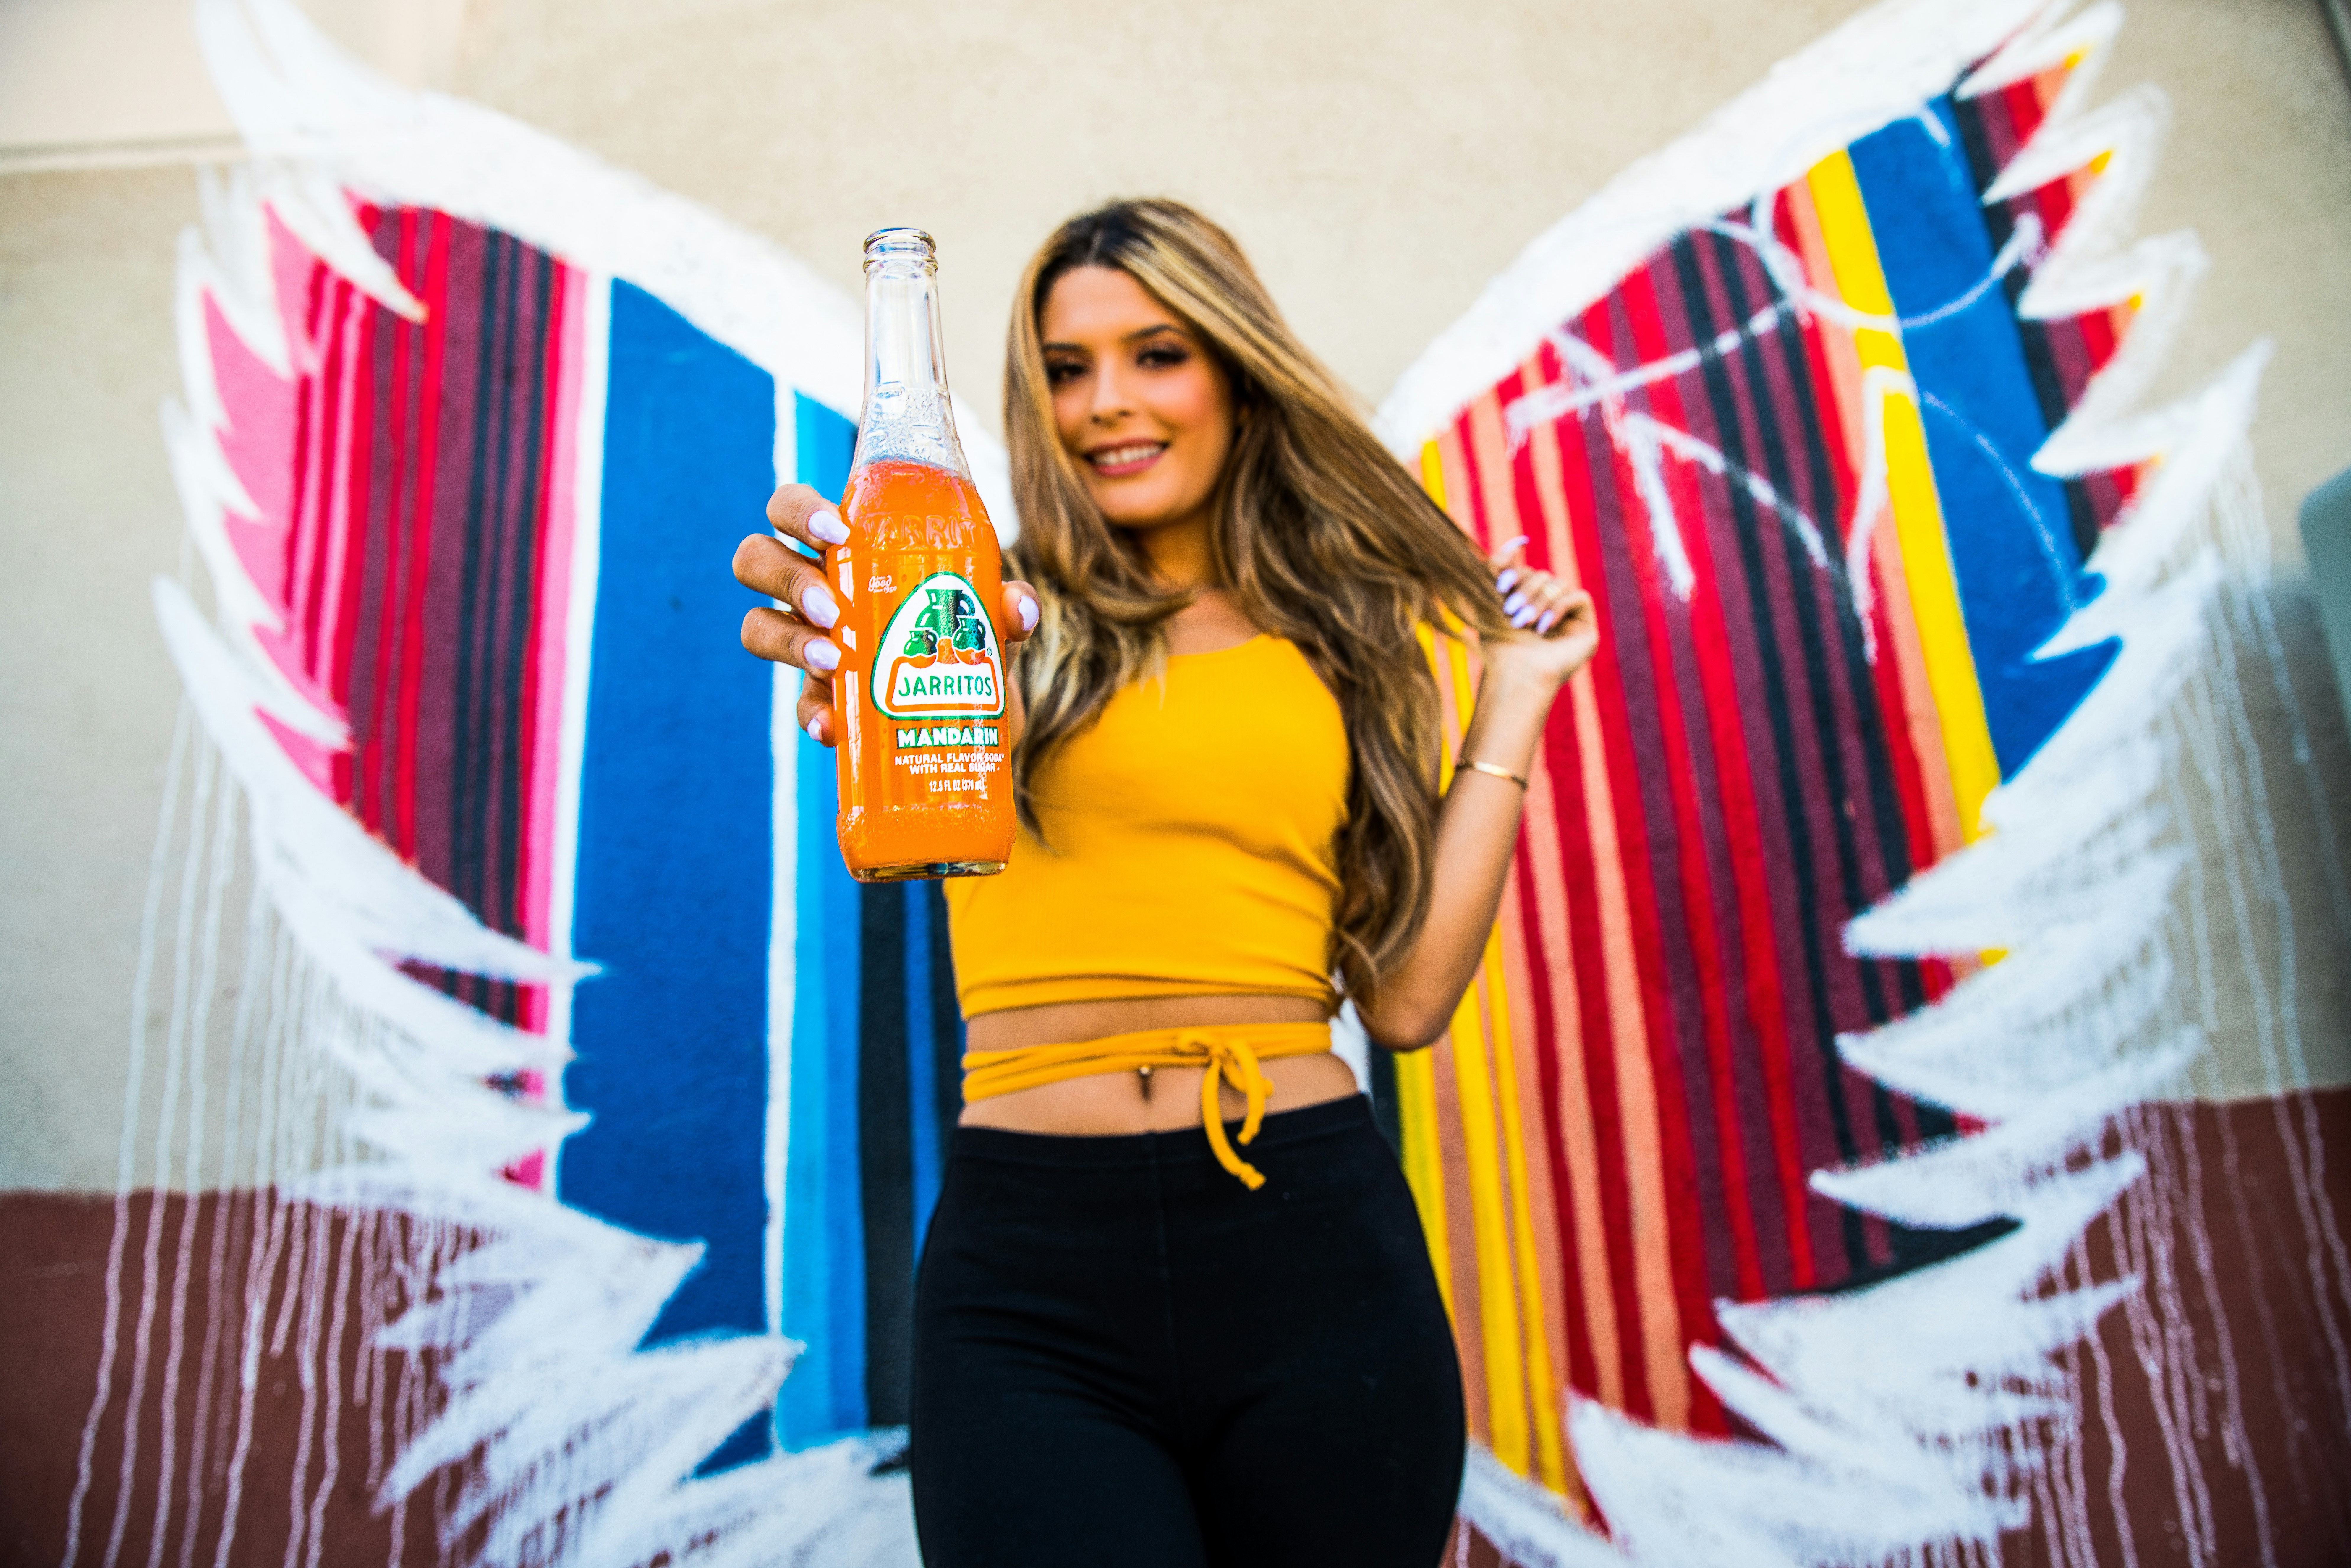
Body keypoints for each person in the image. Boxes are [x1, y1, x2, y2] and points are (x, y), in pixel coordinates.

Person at [733, 199, 1598, 1568]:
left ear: (1235, 371)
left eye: (1156, 354)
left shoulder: (1342, 642)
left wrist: (1515, 695)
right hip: (1031, 1272)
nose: (1106, 404)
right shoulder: (986, 610)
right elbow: (919, 687)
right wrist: (843, 632)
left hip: (1312, 1250)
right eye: (1066, 368)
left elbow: (1405, 1003)